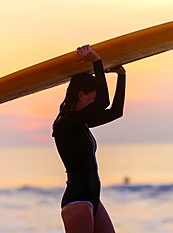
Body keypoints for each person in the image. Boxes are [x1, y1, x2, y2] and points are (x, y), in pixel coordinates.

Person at [52, 44, 126, 233]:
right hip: (77, 200)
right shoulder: (66, 123)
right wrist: (96, 62)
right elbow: (104, 102)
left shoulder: (82, 123)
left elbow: (115, 111)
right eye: (92, 100)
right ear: (81, 95)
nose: (95, 105)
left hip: (93, 198)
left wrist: (121, 76)